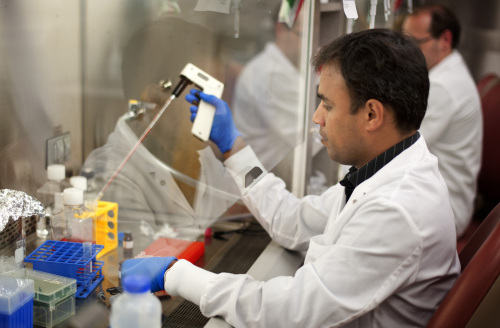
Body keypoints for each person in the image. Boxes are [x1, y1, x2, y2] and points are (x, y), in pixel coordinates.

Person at [122, 29, 460, 328]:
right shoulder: (386, 168)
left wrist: (175, 275)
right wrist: (233, 148)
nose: (316, 118)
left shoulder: (396, 208)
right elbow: (295, 221)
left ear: (372, 114)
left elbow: (290, 313)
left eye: (327, 105)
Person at [402, 5, 483, 237]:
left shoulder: (443, 86)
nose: (408, 53)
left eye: (416, 44)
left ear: (445, 39)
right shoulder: (444, 72)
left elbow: (397, 147)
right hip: (440, 194)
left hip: (448, 209)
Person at [232, 8, 303, 186]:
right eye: (303, 34)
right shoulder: (270, 75)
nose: (312, 44)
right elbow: (306, 136)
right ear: (280, 30)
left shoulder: (289, 68)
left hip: (269, 181)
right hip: (255, 186)